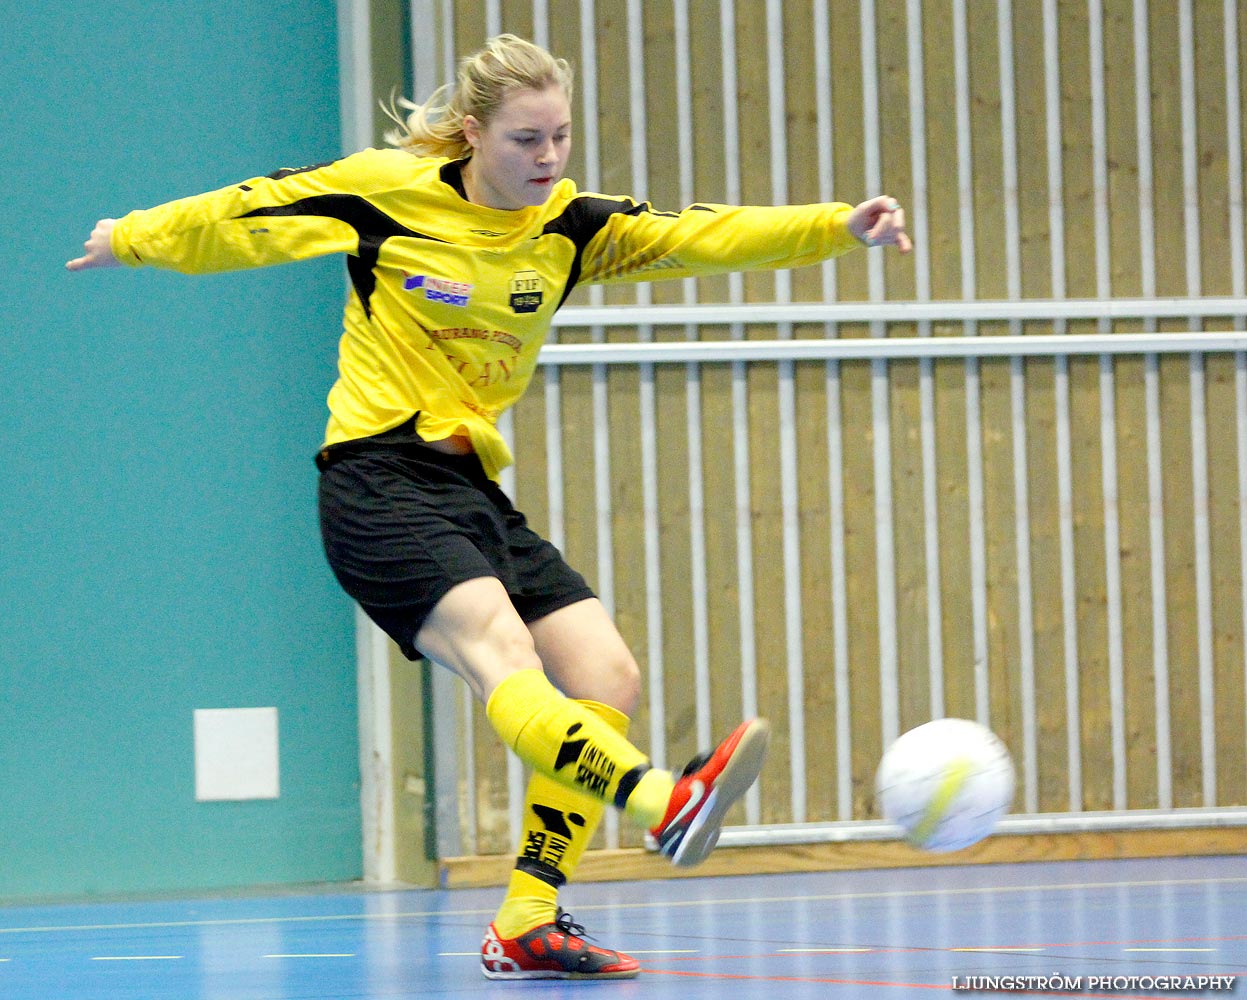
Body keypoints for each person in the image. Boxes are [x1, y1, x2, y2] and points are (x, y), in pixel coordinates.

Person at [67, 33, 911, 981]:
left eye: (559, 138)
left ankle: (527, 916)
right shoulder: (384, 190)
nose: (546, 160)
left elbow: (699, 234)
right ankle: (660, 801)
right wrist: (133, 237)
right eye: (524, 140)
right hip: (374, 480)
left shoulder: (571, 225)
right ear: (471, 133)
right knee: (501, 657)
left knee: (606, 677)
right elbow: (252, 212)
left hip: (470, 489)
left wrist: (840, 225)